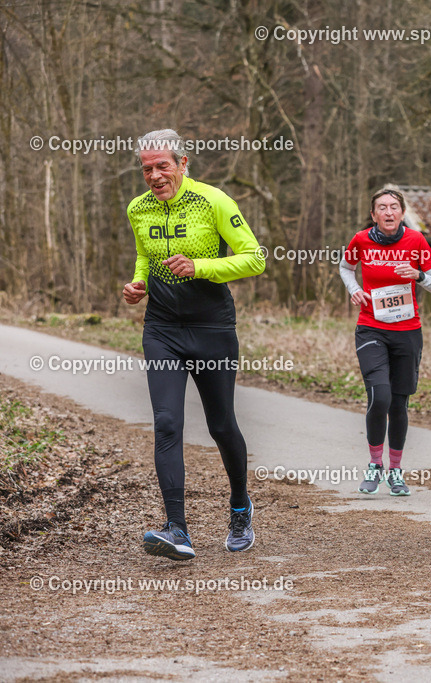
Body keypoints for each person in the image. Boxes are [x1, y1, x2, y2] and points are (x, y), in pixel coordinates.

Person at [123, 129, 266, 561]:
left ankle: (240, 507)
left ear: (183, 164)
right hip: (162, 328)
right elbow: (145, 254)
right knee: (167, 424)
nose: (154, 175)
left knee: (221, 424)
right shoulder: (137, 208)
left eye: (162, 166)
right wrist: (139, 283)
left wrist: (200, 266)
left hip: (211, 328)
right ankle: (177, 529)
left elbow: (255, 257)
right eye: (146, 169)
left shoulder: (214, 200)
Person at [339, 188, 431, 496]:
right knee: (380, 396)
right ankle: (375, 464)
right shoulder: (361, 240)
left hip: (408, 332)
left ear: (401, 213)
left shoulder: (416, 241)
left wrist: (417, 275)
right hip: (371, 328)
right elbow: (346, 267)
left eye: (394, 207)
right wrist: (353, 289)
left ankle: (396, 471)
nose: (388, 212)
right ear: (373, 215)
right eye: (382, 208)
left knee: (399, 403)